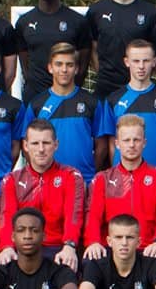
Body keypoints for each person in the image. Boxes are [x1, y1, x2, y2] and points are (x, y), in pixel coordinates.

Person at [0, 119, 85, 268]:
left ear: (56, 145)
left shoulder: (71, 176)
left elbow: (73, 214)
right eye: (35, 143)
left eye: (46, 143)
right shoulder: (12, 179)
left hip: (58, 248)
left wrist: (70, 246)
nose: (41, 149)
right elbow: (7, 216)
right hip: (23, 248)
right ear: (25, 146)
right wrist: (7, 247)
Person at [82, 118, 156, 259]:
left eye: (136, 140)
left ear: (144, 143)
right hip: (111, 250)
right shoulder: (102, 179)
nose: (131, 145)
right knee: (89, 264)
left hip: (149, 249)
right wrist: (93, 242)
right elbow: (93, 215)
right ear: (117, 144)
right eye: (126, 140)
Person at [24, 42, 104, 183]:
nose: (64, 70)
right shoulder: (37, 104)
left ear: (77, 69)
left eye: (69, 65)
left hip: (84, 180)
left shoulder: (91, 102)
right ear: (50, 67)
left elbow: (101, 145)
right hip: (47, 181)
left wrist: (89, 173)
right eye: (59, 64)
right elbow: (26, 145)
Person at [85, 0, 156, 98]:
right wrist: (101, 72)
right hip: (106, 88)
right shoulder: (96, 11)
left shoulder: (150, 12)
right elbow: (93, 48)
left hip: (139, 87)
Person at [98, 39, 156, 171]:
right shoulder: (113, 99)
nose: (141, 66)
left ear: (154, 62)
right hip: (123, 176)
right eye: (136, 61)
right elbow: (112, 141)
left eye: (146, 61)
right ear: (126, 62)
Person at [14, 0, 90, 98]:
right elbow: (25, 64)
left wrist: (69, 88)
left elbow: (83, 64)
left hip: (68, 96)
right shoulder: (24, 22)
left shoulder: (78, 21)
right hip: (35, 96)